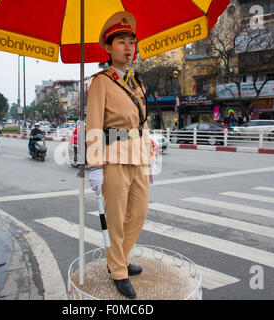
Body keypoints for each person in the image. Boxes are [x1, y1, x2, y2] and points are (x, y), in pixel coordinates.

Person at [86, 11, 155, 299]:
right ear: (108, 48)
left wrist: (150, 158)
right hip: (114, 157)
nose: (128, 48)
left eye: (131, 42)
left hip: (139, 156)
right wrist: (94, 165)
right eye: (121, 42)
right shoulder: (101, 82)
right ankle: (118, 271)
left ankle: (120, 258)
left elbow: (144, 123)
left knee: (138, 214)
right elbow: (93, 125)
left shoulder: (137, 83)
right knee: (115, 218)